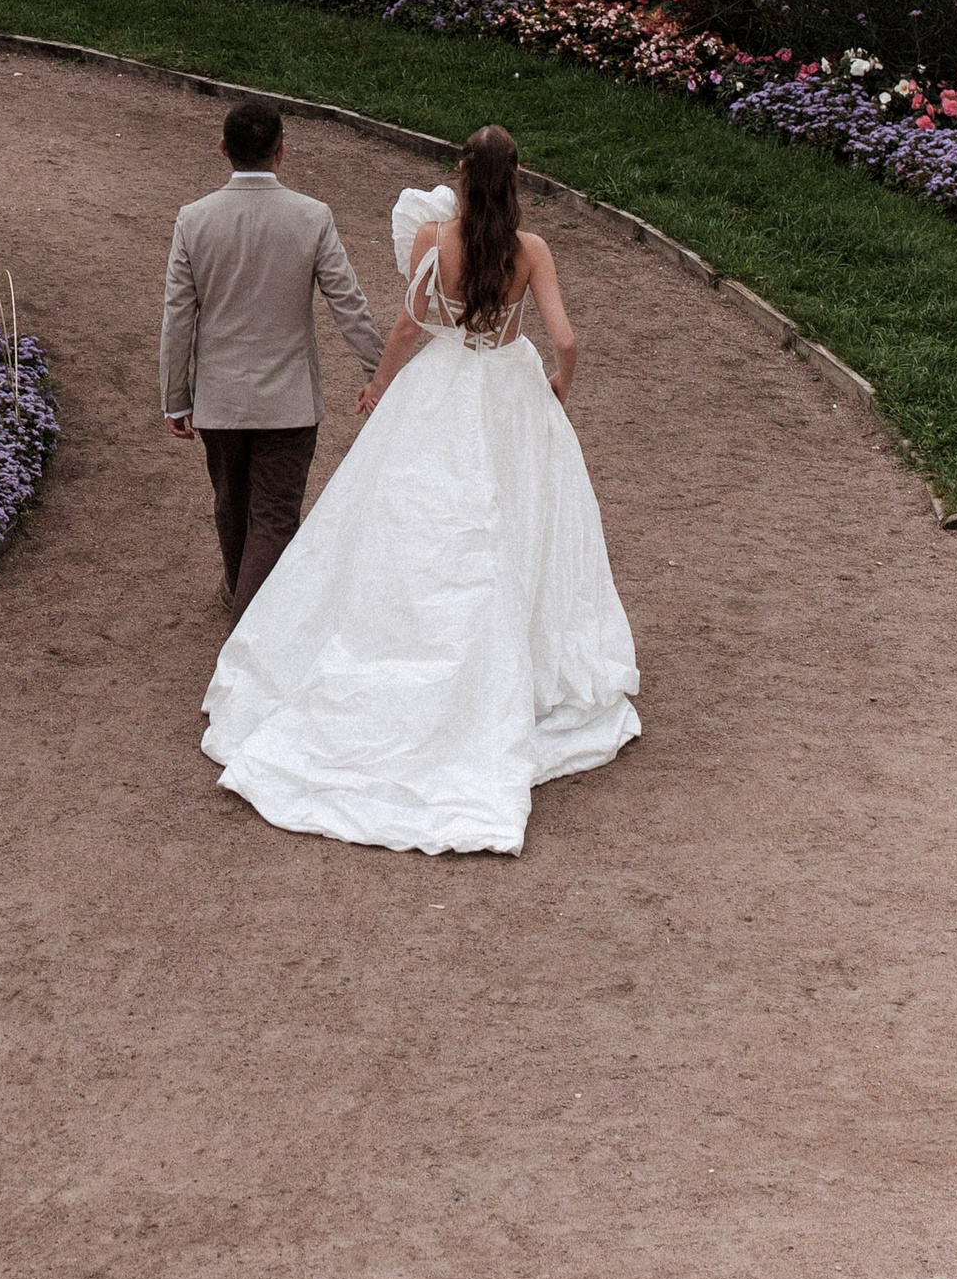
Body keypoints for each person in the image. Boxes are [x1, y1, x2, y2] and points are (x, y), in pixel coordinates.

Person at [201, 126, 639, 855]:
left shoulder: (436, 238)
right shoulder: (532, 251)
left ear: (462, 176)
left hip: (439, 386)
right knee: (511, 521)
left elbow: (410, 322)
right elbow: (566, 340)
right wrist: (558, 385)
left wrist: (377, 386)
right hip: (505, 388)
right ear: (517, 177)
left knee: (409, 520)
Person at [160, 100, 383, 619]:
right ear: (282, 151)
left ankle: (240, 596)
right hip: (289, 400)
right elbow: (346, 302)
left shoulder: (193, 220)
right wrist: (379, 370)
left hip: (220, 397)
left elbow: (178, 315)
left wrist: (175, 396)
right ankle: (250, 623)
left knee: (232, 503)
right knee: (276, 515)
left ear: (223, 149)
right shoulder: (312, 216)